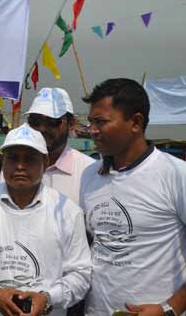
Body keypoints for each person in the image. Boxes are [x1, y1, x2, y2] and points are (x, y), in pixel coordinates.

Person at [0, 123, 92, 316]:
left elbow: (81, 274)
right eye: (13, 158)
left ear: (46, 162)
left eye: (30, 159)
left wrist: (48, 298)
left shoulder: (68, 212)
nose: (20, 166)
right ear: (3, 161)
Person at [80, 78, 186, 316]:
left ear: (136, 123)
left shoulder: (176, 175)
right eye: (90, 122)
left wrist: (170, 309)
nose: (92, 130)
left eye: (101, 122)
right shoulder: (90, 175)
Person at [0, 87, 95, 205]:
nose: (42, 128)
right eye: (35, 121)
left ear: (71, 125)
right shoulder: (14, 167)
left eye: (52, 121)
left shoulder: (89, 171)